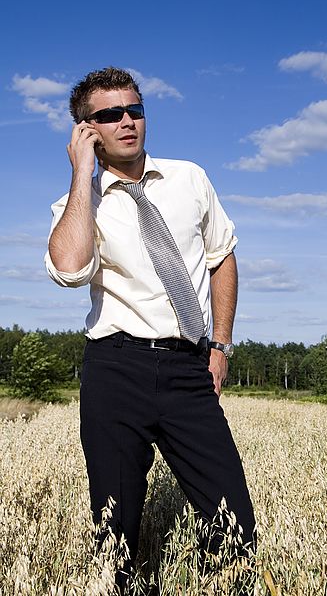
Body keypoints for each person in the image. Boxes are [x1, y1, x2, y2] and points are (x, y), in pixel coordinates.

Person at [44, 67, 256, 582]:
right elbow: (70, 270)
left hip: (189, 369)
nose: (127, 121)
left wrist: (220, 347)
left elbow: (221, 256)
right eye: (110, 115)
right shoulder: (78, 204)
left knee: (234, 523)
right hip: (116, 370)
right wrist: (81, 174)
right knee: (116, 529)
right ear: (86, 130)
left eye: (135, 110)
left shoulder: (190, 178)